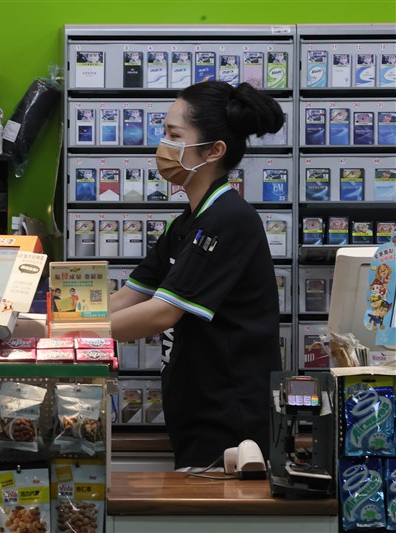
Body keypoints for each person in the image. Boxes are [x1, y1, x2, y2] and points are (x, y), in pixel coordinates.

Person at [109, 81, 284, 469]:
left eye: (174, 136)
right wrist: (58, 327)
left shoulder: (230, 219)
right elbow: (128, 297)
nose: (163, 146)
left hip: (231, 421)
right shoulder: (185, 224)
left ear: (213, 150)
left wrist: (78, 337)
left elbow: (162, 312)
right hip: (195, 409)